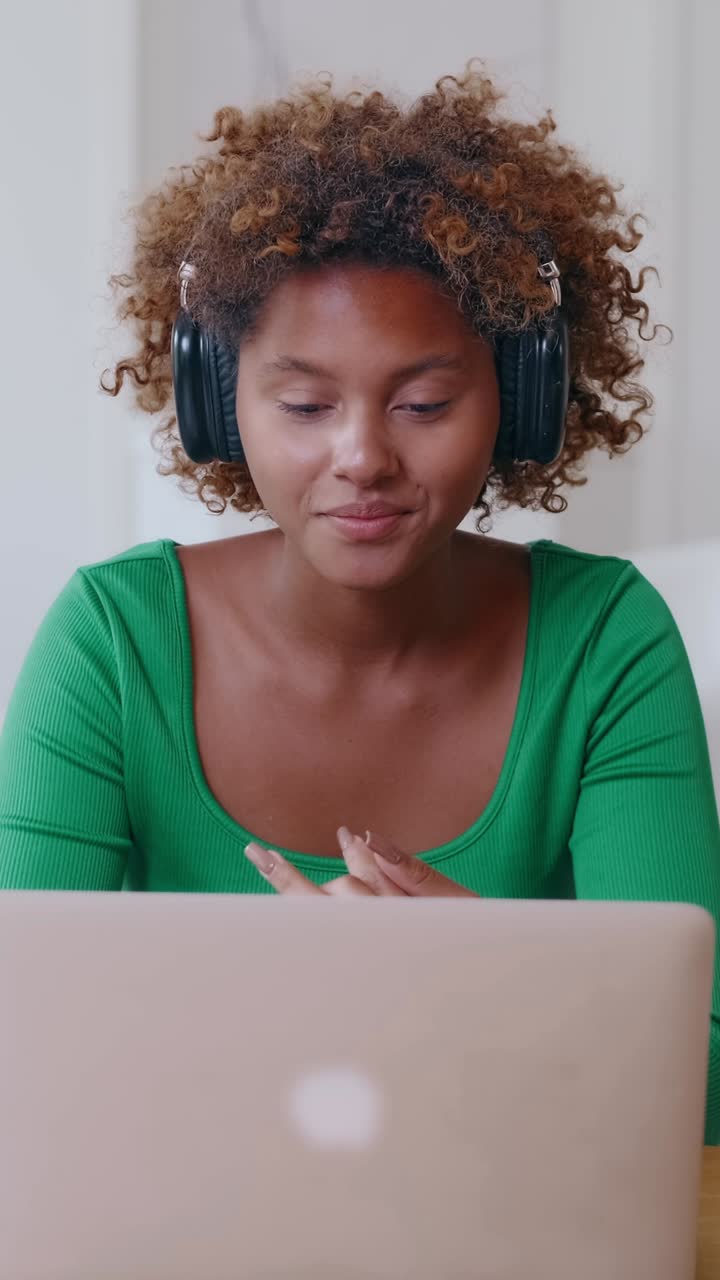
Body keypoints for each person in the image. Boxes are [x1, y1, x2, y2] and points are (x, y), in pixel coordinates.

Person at [1, 61, 719, 1138]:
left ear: (519, 400)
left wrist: (487, 967)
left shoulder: (606, 640)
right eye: (303, 402)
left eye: (425, 401)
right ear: (217, 401)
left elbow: (699, 1089)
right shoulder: (112, 643)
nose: (363, 456)